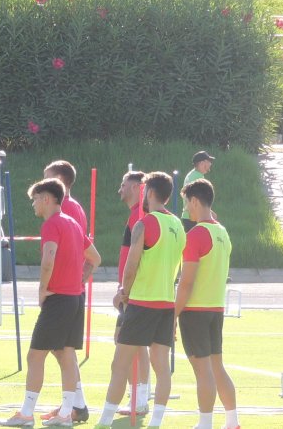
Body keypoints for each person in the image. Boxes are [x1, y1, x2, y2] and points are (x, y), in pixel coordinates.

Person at [0, 178, 101, 428]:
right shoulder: (74, 223)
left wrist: (43, 290)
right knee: (65, 354)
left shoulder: (52, 224)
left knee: (35, 356)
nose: (33, 204)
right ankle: (66, 413)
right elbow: (95, 258)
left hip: (59, 298)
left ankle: (26, 413)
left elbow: (48, 259)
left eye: (35, 198)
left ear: (46, 198)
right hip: (75, 297)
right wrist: (80, 280)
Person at [95, 172, 185, 428]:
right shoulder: (178, 225)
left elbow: (131, 265)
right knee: (161, 366)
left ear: (151, 193)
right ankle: (156, 421)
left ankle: (105, 419)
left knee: (119, 364)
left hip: (143, 302)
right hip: (166, 303)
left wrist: (123, 292)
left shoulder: (144, 224)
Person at [175, 179, 240, 429]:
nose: (186, 210)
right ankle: (232, 421)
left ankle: (205, 423)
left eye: (186, 204)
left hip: (196, 310)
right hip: (215, 308)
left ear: (194, 201)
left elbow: (186, 282)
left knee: (203, 370)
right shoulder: (222, 232)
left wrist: (172, 315)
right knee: (216, 366)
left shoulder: (196, 235)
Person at [40, 160, 90, 422]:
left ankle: (74, 406)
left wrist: (74, 281)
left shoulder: (66, 209)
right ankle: (75, 404)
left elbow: (81, 251)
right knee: (62, 350)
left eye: (46, 178)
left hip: (64, 291)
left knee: (60, 350)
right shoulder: (75, 207)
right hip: (70, 289)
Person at [116, 171, 152, 418]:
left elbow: (135, 258)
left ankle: (139, 399)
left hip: (134, 292)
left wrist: (125, 291)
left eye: (123, 184)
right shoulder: (134, 215)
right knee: (136, 345)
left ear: (138, 187)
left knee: (128, 344)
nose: (120, 189)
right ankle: (139, 397)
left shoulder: (140, 216)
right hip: (131, 290)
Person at [182, 151, 215, 233]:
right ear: (202, 163)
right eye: (209, 161)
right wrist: (209, 213)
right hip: (194, 217)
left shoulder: (191, 175)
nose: (210, 164)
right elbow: (199, 199)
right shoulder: (198, 177)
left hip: (188, 216)